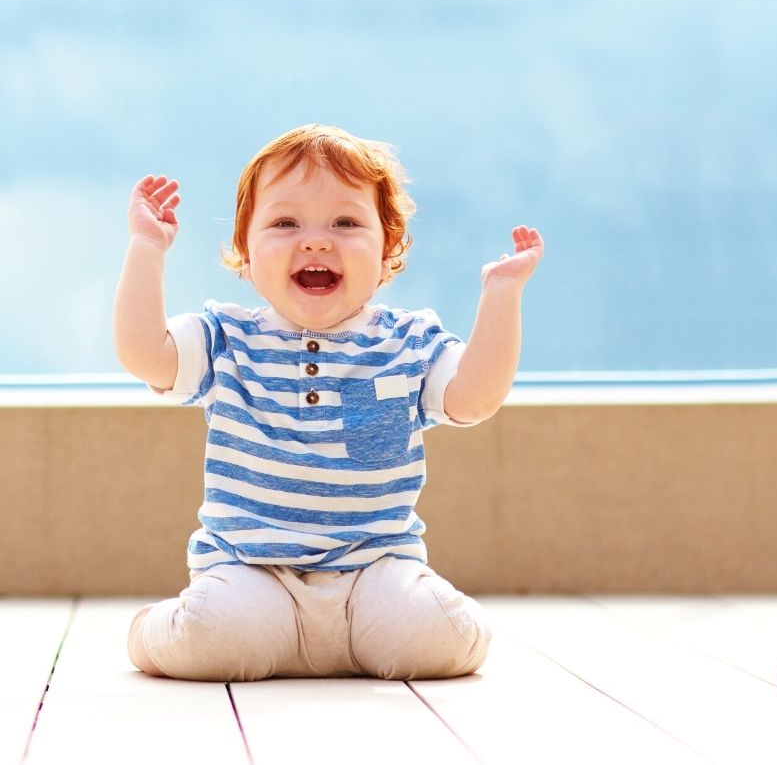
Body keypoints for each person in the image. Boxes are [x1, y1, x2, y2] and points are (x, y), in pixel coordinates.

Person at [113, 124, 544, 681]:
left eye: (345, 223)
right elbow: (144, 353)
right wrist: (147, 248)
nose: (315, 241)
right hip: (253, 572)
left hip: (374, 572)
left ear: (389, 251)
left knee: (442, 641)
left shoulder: (408, 343)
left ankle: (372, 637)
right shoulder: (226, 338)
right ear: (245, 253)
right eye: (284, 222)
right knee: (210, 640)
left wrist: (502, 296)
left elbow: (476, 398)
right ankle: (158, 628)